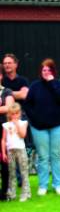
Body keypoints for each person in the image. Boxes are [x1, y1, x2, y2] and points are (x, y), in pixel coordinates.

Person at [24, 58, 60, 196]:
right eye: (44, 70)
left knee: (56, 155)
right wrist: (35, 119)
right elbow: (27, 105)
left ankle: (58, 184)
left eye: (48, 70)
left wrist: (51, 84)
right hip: (39, 128)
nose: (46, 72)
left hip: (58, 126)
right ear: (40, 72)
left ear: (53, 71)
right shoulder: (35, 86)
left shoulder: (59, 85)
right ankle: (42, 185)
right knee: (43, 157)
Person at [1, 103, 31, 202]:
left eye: (16, 113)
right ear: (9, 114)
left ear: (20, 113)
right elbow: (3, 140)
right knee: (12, 172)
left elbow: (23, 135)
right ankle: (12, 193)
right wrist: (4, 152)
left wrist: (17, 124)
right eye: (12, 114)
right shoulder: (6, 125)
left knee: (23, 171)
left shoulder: (23, 123)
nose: (14, 116)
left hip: (21, 150)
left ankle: (26, 193)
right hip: (10, 151)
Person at [0, 64, 14, 200]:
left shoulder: (7, 91)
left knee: (4, 161)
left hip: (3, 131)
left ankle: (4, 192)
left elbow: (9, 108)